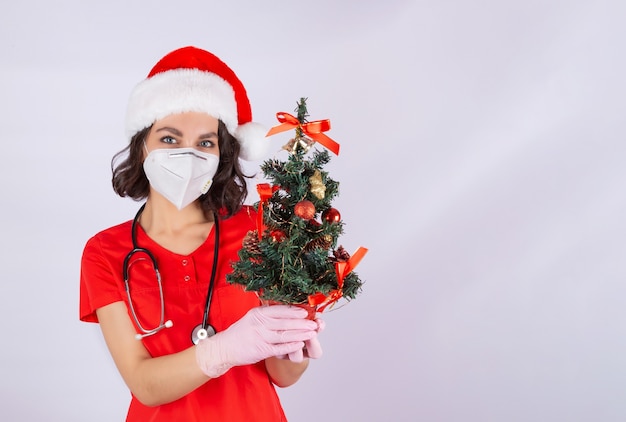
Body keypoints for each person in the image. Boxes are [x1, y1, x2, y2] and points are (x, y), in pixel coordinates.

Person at [79, 46, 324, 422]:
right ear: (142, 144)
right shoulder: (105, 251)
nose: (187, 154)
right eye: (170, 139)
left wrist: (293, 346)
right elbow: (143, 384)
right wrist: (223, 350)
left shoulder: (257, 229)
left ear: (222, 154)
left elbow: (281, 377)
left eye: (205, 143)